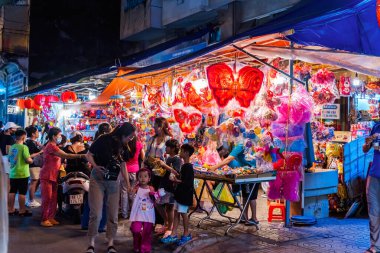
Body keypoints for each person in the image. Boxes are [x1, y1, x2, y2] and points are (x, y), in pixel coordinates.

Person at [85, 123, 134, 253]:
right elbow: (88, 155)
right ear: (123, 134)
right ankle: (91, 244)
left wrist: (128, 185)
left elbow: (123, 166)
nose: (131, 139)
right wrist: (96, 166)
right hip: (98, 179)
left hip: (113, 181)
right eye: (129, 137)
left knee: (113, 214)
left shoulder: (124, 147)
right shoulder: (103, 139)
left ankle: (110, 243)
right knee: (96, 213)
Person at [40, 127, 85, 227]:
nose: (60, 137)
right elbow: (66, 155)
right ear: (53, 136)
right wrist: (81, 156)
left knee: (54, 198)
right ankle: (44, 219)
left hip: (55, 175)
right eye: (59, 135)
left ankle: (51, 217)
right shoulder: (51, 146)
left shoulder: (55, 145)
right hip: (47, 175)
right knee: (47, 198)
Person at [210, 143, 260, 225]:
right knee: (245, 195)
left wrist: (214, 167)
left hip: (252, 173)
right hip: (246, 173)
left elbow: (228, 159)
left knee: (251, 196)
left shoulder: (241, 146)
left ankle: (254, 218)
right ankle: (244, 216)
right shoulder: (244, 145)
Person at [162, 144, 195, 246]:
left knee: (183, 214)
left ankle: (186, 234)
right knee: (176, 212)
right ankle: (173, 234)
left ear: (186, 153)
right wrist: (177, 179)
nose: (180, 152)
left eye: (182, 151)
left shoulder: (188, 167)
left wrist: (177, 180)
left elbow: (188, 183)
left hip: (184, 196)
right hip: (179, 194)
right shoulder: (184, 166)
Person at [145, 117, 172, 233]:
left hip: (163, 172)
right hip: (152, 171)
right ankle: (153, 220)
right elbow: (147, 154)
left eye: (156, 125)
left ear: (161, 127)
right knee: (152, 195)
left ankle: (162, 222)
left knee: (161, 197)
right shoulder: (151, 139)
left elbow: (170, 155)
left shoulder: (168, 139)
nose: (154, 127)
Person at [81, 126, 110, 232]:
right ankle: (101, 225)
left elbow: (88, 156)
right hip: (104, 173)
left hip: (95, 173)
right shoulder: (107, 142)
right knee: (104, 200)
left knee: (91, 200)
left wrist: (94, 166)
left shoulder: (95, 142)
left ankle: (86, 223)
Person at [158, 139, 182, 239]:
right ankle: (167, 223)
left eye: (167, 147)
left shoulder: (177, 159)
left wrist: (164, 165)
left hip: (171, 187)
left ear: (172, 148)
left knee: (170, 207)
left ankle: (169, 228)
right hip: (164, 185)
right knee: (158, 203)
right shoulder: (168, 158)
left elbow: (176, 172)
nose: (166, 148)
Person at [8, 129, 33, 217]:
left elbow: (9, 159)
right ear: (23, 137)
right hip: (22, 173)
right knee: (22, 193)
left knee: (12, 191)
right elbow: (28, 160)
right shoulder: (24, 147)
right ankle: (22, 210)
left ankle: (10, 209)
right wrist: (31, 160)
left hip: (13, 173)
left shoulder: (12, 147)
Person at [130, 168, 155, 253]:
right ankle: (137, 243)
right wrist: (131, 191)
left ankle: (145, 248)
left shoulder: (151, 188)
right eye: (140, 176)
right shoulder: (136, 188)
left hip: (148, 214)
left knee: (147, 232)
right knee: (135, 229)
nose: (143, 178)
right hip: (137, 213)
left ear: (149, 178)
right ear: (137, 178)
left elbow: (156, 200)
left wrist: (154, 196)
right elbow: (131, 196)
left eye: (145, 176)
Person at [120, 132, 144, 219]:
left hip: (123, 171)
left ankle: (124, 214)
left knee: (124, 193)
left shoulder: (124, 145)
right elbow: (143, 157)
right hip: (135, 171)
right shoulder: (139, 144)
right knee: (133, 193)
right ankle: (134, 213)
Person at [364, 128, 380, 253]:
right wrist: (368, 142)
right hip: (374, 174)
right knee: (374, 212)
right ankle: (375, 246)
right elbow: (365, 149)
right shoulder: (376, 126)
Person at [25, 126, 43, 208]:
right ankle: (31, 200)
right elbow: (30, 155)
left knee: (33, 182)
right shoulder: (30, 143)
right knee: (33, 182)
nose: (38, 133)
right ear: (33, 134)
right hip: (33, 165)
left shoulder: (32, 142)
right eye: (37, 132)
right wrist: (40, 152)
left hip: (34, 165)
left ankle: (30, 200)